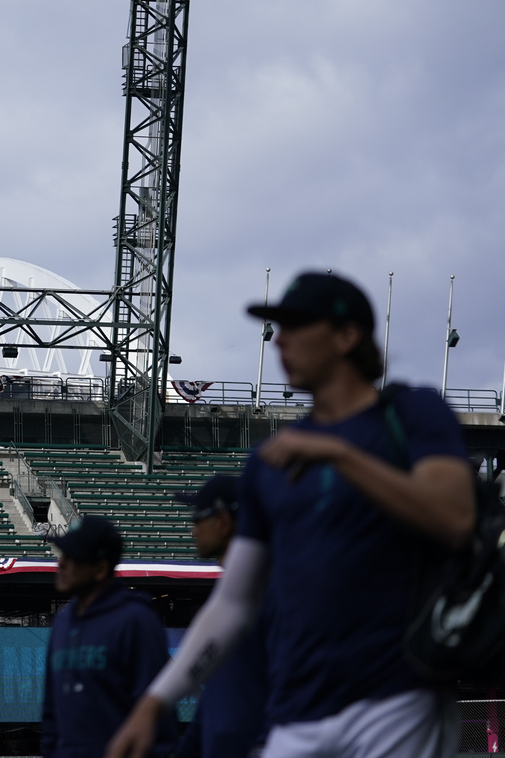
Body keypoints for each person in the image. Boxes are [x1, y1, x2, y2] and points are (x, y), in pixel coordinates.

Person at [108, 271, 474, 758]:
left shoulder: (411, 414)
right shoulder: (272, 460)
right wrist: (155, 702)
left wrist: (340, 455)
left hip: (398, 698)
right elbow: (233, 604)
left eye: (298, 326)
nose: (280, 341)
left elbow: (453, 518)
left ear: (347, 336)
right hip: (297, 711)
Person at [42, 515, 179, 758]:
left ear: (100, 569)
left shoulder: (136, 619)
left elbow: (158, 714)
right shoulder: (62, 621)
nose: (61, 564)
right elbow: (51, 711)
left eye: (73, 558)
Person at [172, 476, 268, 758]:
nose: (193, 531)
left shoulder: (268, 594)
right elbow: (218, 694)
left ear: (224, 523)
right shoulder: (231, 595)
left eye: (199, 518)